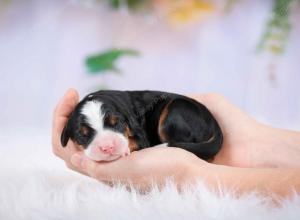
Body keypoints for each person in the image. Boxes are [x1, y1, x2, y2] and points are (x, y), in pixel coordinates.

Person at [52, 89, 300, 198]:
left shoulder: (129, 117)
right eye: (86, 135)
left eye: (114, 126)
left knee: (168, 117)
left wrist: (187, 174)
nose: (105, 144)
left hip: (190, 121)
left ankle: (183, 145)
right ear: (69, 136)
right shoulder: (115, 110)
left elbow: (141, 136)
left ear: (125, 120)